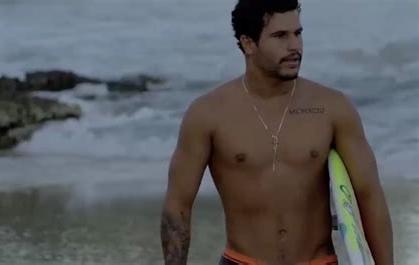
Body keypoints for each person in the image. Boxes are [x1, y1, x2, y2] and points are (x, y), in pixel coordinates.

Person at [160, 0, 394, 264]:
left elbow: (369, 196)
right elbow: (178, 205)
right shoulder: (208, 114)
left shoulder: (332, 108)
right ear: (248, 44)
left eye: (298, 33)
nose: (295, 46)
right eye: (280, 36)